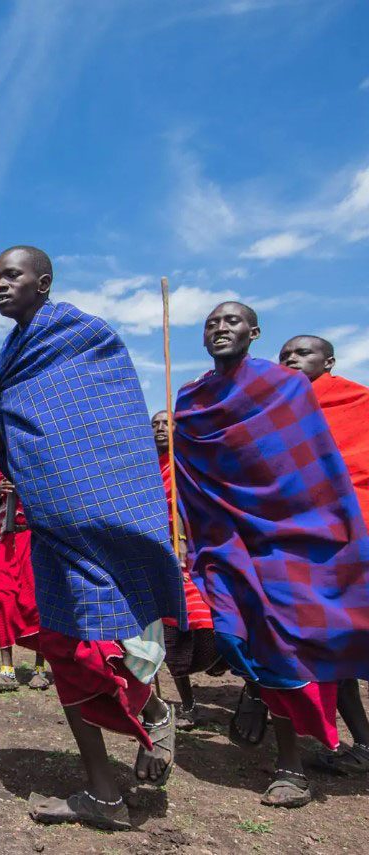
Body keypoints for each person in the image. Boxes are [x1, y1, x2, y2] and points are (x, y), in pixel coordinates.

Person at [0, 246, 185, 831]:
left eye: (12, 275)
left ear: (43, 281)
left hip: (96, 519)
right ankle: (104, 792)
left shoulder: (82, 337)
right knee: (64, 648)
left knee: (104, 645)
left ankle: (153, 709)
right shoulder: (10, 356)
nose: (0, 285)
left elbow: (99, 426)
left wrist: (11, 438)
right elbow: (14, 431)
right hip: (47, 526)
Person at [173, 303, 369, 808]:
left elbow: (313, 467)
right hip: (229, 542)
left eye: (232, 321)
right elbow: (196, 483)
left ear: (254, 333)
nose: (221, 328)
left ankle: (291, 769)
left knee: (283, 646)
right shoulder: (193, 400)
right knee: (254, 642)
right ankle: (274, 728)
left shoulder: (284, 389)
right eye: (212, 322)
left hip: (285, 540)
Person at [278, 335, 369, 775]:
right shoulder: (276, 411)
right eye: (284, 355)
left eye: (302, 353)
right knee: (330, 651)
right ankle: (361, 744)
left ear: (329, 361)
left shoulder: (358, 403)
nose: (291, 359)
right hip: (304, 543)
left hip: (357, 539)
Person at [150, 411, 223, 729]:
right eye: (155, 424)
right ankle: (189, 706)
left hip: (196, 557)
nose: (161, 428)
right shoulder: (148, 472)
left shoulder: (188, 466)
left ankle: (226, 669)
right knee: (169, 637)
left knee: (207, 625)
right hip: (161, 560)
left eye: (168, 423)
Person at [0, 465, 50, 693]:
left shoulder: (37, 450)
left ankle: (40, 669)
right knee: (4, 600)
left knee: (36, 603)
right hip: (5, 539)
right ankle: (6, 670)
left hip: (34, 538)